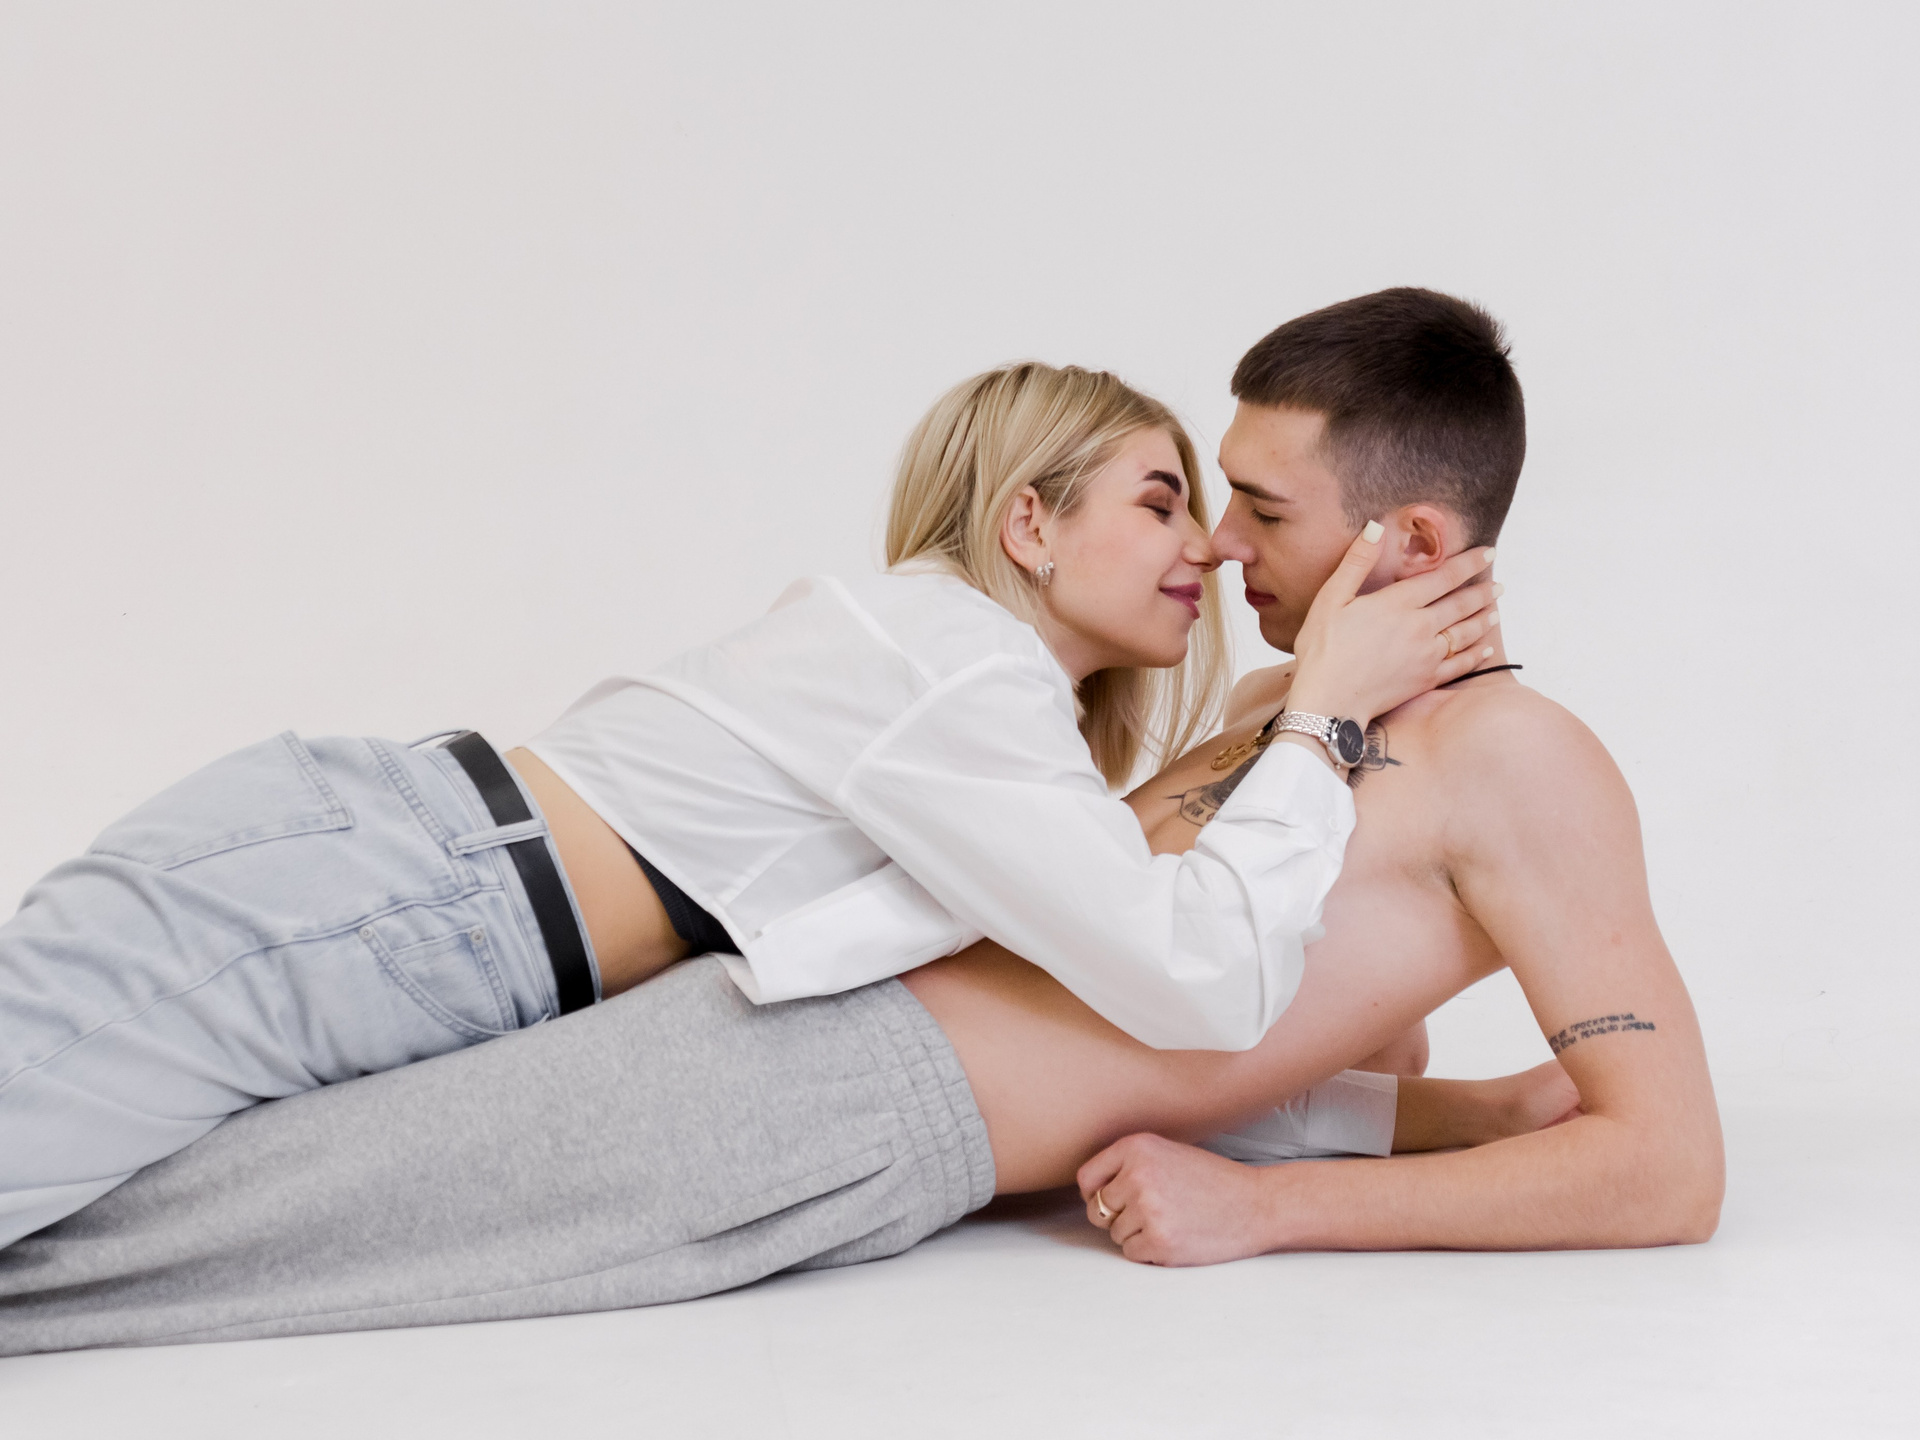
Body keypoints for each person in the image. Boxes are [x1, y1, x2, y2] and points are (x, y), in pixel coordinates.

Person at [0, 289, 1713, 1358]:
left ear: (1414, 544)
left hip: (835, 1104)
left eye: (1258, 511)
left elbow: (1666, 1166)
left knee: (206, 1244)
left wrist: (1293, 1198)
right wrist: (1427, 1114)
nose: (1222, 550)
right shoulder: (1281, 711)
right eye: (1198, 503)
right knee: (195, 1206)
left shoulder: (1522, 761)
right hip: (745, 1004)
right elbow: (1179, 999)